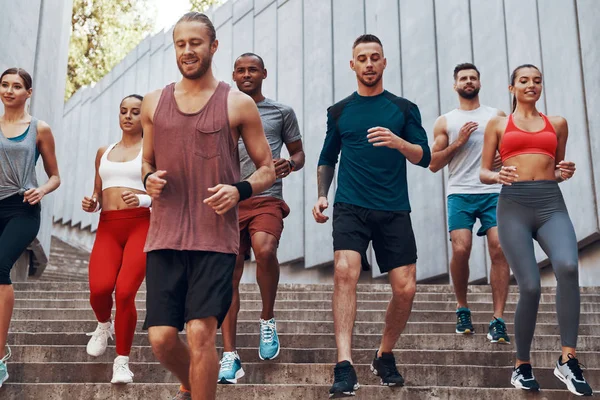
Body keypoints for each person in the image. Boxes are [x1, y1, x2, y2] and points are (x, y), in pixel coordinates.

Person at [140, 12, 275, 400]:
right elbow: (146, 162)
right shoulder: (153, 103)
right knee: (163, 340)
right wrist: (149, 178)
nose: (187, 51)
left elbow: (267, 168)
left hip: (215, 238)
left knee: (201, 332)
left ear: (213, 47)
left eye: (195, 43)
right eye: (180, 44)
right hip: (163, 237)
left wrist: (240, 189)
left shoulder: (237, 104)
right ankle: (194, 382)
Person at [313, 34, 431, 398]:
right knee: (345, 271)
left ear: (384, 63)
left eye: (374, 57)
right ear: (353, 65)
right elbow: (326, 158)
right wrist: (322, 195)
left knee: (406, 288)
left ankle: (384, 353)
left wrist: (398, 142)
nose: (368, 64)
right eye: (361, 58)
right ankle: (344, 364)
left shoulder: (404, 108)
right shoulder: (339, 111)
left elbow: (424, 156)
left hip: (394, 207)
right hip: (350, 205)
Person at [480, 64, 592, 396]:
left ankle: (567, 360)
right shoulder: (498, 125)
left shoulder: (557, 124)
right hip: (513, 206)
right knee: (529, 286)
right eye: (524, 80)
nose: (532, 85)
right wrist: (496, 177)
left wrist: (564, 171)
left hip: (550, 204)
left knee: (569, 267)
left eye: (537, 80)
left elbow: (555, 169)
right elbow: (485, 171)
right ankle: (521, 366)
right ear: (512, 87)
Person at [218, 52, 305, 383]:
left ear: (264, 73)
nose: (246, 74)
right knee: (230, 273)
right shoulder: (221, 111)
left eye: (252, 69)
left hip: (266, 194)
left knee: (265, 249)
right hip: (228, 199)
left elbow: (298, 152)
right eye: (240, 70)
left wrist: (290, 164)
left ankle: (267, 319)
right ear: (233, 75)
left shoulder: (281, 112)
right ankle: (230, 355)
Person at [429, 63, 511, 342]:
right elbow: (433, 163)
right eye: (463, 78)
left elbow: (513, 148)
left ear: (479, 82)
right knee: (461, 249)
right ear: (455, 85)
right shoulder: (445, 121)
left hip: (494, 191)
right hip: (460, 192)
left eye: (472, 77)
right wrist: (460, 141)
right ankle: (462, 307)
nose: (468, 81)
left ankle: (498, 318)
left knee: (499, 248)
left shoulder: (496, 116)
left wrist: (506, 158)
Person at [81, 94, 151, 384]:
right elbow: (98, 191)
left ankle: (122, 361)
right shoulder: (104, 151)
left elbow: (167, 195)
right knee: (99, 289)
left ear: (144, 117)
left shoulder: (152, 151)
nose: (128, 116)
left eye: (135, 112)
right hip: (108, 227)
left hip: (141, 226)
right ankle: (102, 325)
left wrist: (142, 199)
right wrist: (92, 202)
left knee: (124, 293)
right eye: (124, 111)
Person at [0, 67, 60, 387]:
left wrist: (43, 190)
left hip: (23, 207)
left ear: (28, 93)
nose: (9, 91)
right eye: (5, 85)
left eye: (17, 86)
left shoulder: (39, 129)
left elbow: (55, 175)